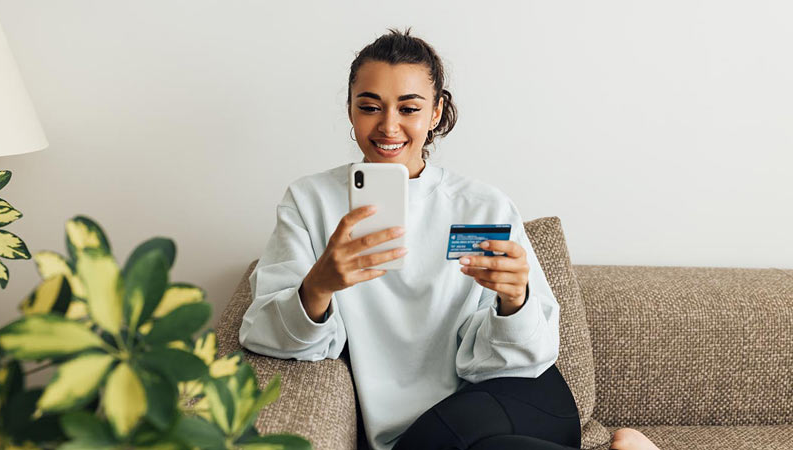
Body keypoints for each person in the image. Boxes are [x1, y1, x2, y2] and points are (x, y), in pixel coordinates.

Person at [239, 27, 660, 450]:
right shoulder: (311, 201)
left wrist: (514, 302)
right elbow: (262, 333)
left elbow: (528, 355)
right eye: (370, 107)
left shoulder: (482, 205)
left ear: (436, 112)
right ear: (350, 110)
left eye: (409, 108)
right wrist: (320, 286)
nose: (389, 126)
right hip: (435, 430)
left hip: (515, 393)